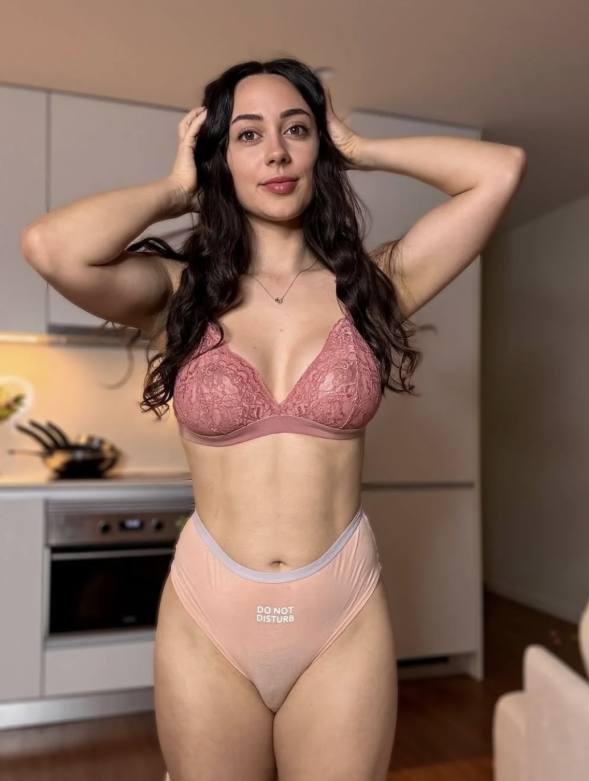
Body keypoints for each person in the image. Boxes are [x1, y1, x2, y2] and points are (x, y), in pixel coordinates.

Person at [22, 57, 526, 781]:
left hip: (341, 612)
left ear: (321, 146)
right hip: (209, 613)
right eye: (249, 134)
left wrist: (362, 148)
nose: (278, 152)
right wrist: (175, 189)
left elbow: (500, 172)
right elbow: (50, 247)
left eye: (297, 129)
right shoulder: (179, 295)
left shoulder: (372, 287)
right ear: (221, 157)